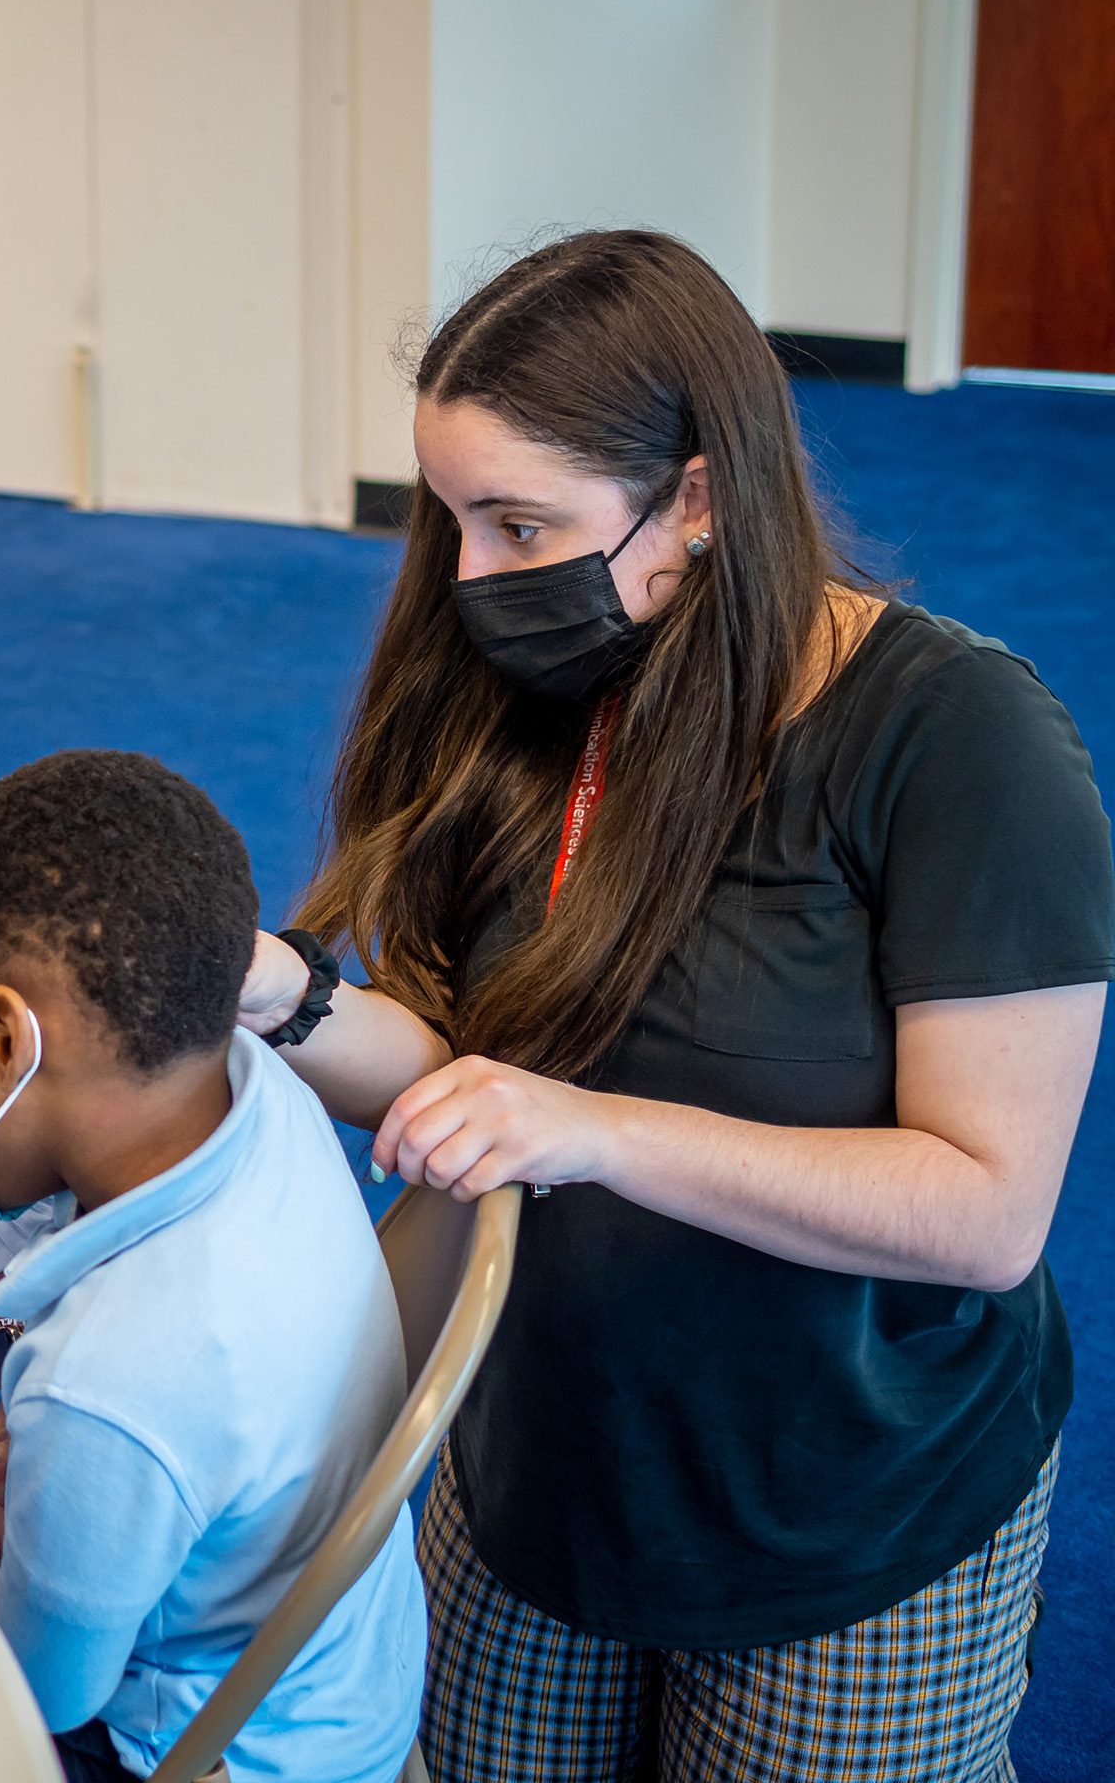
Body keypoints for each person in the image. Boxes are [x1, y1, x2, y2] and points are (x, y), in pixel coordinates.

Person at [227, 231, 1111, 1778]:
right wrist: (278, 997)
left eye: (521, 523)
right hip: (540, 1466)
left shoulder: (961, 742)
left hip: (843, 1511)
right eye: (452, 523)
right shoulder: (529, 687)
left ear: (698, 497)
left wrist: (597, 1133)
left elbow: (984, 1212)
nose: (470, 580)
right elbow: (458, 1068)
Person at [0, 751, 424, 1783]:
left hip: (205, 1754)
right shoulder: (260, 1092)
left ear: (5, 1041)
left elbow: (48, 1694)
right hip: (342, 1683)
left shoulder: (106, 1385)